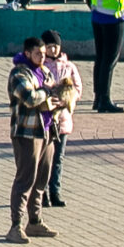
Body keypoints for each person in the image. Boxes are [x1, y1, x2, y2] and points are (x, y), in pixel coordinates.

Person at [5, 36, 61, 244]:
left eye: (45, 54)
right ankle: (15, 226)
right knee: (25, 179)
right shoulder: (19, 74)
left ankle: (35, 221)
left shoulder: (44, 71)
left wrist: (56, 97)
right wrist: (46, 92)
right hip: (26, 133)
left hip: (46, 131)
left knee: (42, 179)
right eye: (38, 54)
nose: (43, 57)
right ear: (27, 53)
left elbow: (53, 91)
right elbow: (29, 99)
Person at [39, 30, 83, 206]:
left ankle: (55, 191)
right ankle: (41, 193)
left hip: (63, 120)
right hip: (46, 120)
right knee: (43, 159)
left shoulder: (69, 67)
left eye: (55, 46)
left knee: (58, 159)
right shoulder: (41, 67)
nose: (53, 50)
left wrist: (66, 100)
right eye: (49, 47)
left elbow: (78, 89)